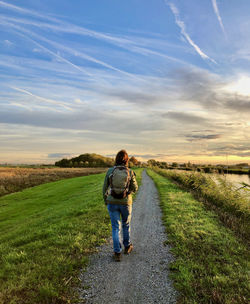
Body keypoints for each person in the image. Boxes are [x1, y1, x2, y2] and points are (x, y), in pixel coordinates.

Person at [103, 150, 138, 262]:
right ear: (127, 160)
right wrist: (128, 192)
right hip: (125, 203)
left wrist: (106, 201)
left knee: (115, 227)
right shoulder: (130, 172)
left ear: (116, 159)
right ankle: (127, 247)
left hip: (112, 203)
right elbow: (135, 188)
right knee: (126, 224)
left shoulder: (110, 171)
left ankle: (117, 252)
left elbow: (104, 188)